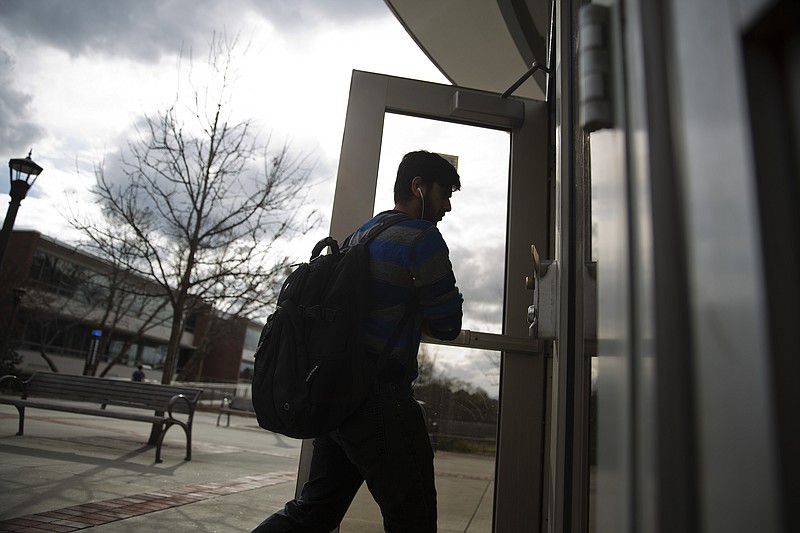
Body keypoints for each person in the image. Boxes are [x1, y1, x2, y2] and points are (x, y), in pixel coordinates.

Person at [252, 150, 463, 533]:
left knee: (312, 513)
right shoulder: (422, 236)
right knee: (413, 520)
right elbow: (448, 323)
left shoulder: (361, 234)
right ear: (419, 187)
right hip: (380, 397)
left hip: (338, 393)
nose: (447, 205)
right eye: (444, 192)